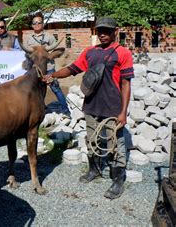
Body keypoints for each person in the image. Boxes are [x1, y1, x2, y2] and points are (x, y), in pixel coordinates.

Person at [43, 17, 134, 200]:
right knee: (92, 139)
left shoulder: (123, 53)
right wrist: (53, 75)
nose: (103, 34)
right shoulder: (89, 52)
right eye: (100, 30)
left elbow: (126, 84)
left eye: (107, 31)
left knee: (115, 144)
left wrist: (123, 112)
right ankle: (94, 170)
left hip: (113, 107)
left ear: (115, 31)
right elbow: (72, 69)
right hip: (91, 105)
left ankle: (118, 179)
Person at [26, 13, 71, 116]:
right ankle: (41, 109)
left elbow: (57, 51)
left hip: (49, 68)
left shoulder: (49, 37)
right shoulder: (29, 39)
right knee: (38, 89)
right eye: (34, 23)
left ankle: (65, 110)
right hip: (35, 69)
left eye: (39, 22)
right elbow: (27, 53)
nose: (37, 24)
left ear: (43, 24)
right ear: (32, 25)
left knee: (55, 88)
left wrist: (49, 55)